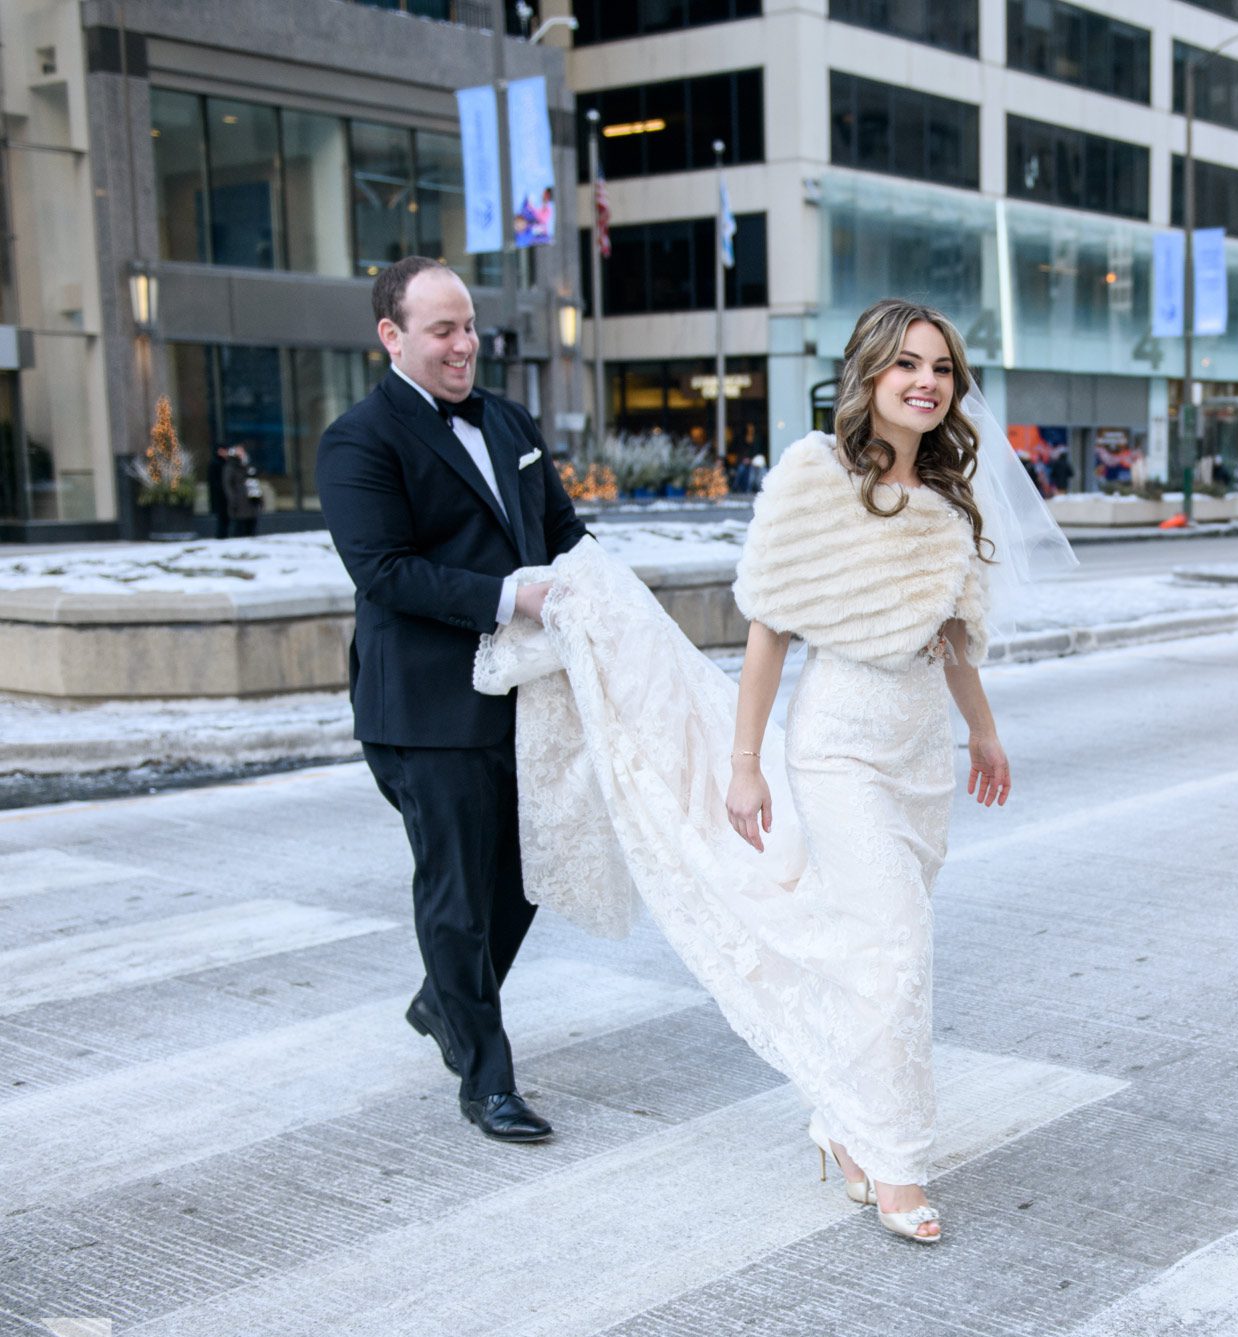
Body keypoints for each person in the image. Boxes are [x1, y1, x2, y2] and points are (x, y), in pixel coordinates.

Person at [477, 298, 1075, 1243]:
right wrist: (744, 763)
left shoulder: (952, 499)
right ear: (869, 377)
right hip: (836, 743)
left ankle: (839, 1125)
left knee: (871, 948)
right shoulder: (815, 477)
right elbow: (768, 629)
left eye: (943, 368)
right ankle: (894, 1160)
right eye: (906, 365)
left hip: (919, 751)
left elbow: (957, 641)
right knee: (895, 949)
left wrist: (985, 735)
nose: (927, 382)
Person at [317, 257, 588, 1145]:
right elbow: (384, 571)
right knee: (457, 897)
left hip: (523, 696)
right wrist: (514, 595)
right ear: (391, 336)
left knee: (528, 877)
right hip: (427, 708)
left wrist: (600, 593)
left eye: (468, 325)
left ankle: (445, 1002)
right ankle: (487, 1080)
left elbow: (561, 533)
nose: (464, 343)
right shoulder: (359, 439)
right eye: (443, 329)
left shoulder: (508, 419)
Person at [224, 445, 262, 537]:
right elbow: (228, 484)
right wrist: (233, 499)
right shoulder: (231, 467)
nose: (242, 454)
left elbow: (254, 481)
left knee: (251, 526)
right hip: (240, 501)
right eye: (240, 452)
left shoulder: (248, 466)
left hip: (251, 499)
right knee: (239, 528)